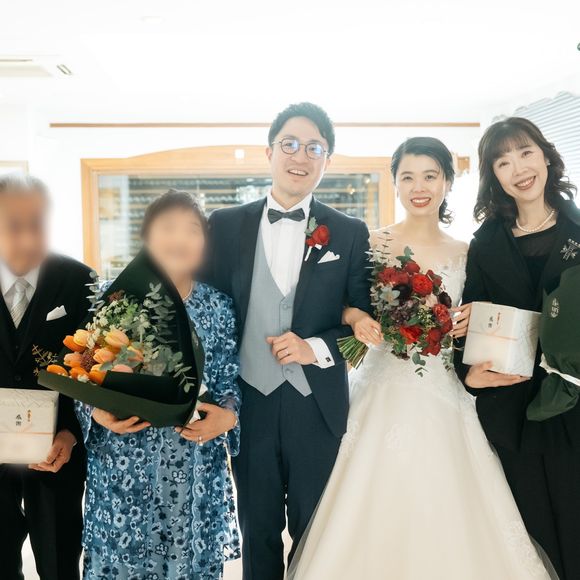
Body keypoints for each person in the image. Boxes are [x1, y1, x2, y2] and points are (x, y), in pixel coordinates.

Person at [288, 137, 555, 579]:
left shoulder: (468, 251)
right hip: (379, 386)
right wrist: (358, 318)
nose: (419, 187)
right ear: (395, 183)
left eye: (430, 176)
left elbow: (480, 320)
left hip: (443, 389)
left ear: (447, 182)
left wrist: (468, 322)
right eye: (408, 177)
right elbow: (340, 305)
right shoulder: (371, 242)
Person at [205, 102, 372, 580]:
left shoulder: (349, 232)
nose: (301, 156)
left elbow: (364, 328)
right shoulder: (224, 224)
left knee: (315, 532)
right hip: (247, 401)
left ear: (327, 160)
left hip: (316, 406)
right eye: (290, 144)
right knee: (256, 531)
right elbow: (207, 314)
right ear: (270, 152)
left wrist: (313, 348)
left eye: (314, 148)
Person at [76, 190, 241, 580]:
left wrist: (229, 417)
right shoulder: (115, 297)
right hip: (122, 464)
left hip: (194, 463)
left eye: (191, 229)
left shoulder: (218, 306)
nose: (179, 239)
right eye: (167, 227)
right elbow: (82, 372)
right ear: (147, 236)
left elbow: (230, 380)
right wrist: (95, 411)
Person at [455, 117, 580, 580]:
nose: (519, 169)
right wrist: (468, 375)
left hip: (574, 405)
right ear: (494, 175)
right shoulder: (485, 243)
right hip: (512, 410)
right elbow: (467, 326)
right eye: (503, 161)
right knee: (532, 541)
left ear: (545, 155)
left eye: (525, 152)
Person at [0, 174, 92, 580]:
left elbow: (95, 371)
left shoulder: (81, 281)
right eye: (13, 225)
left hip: (57, 452)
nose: (27, 237)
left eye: (37, 223)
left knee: (60, 563)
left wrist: (71, 433)